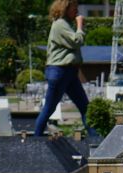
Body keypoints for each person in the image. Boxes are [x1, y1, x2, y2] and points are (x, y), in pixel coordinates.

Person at [34, 0, 89, 136]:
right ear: (65, 8)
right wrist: (80, 25)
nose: (77, 11)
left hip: (68, 72)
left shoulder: (65, 24)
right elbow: (77, 41)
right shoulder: (60, 24)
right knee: (49, 108)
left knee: (85, 108)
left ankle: (96, 141)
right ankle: (36, 139)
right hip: (60, 71)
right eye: (74, 7)